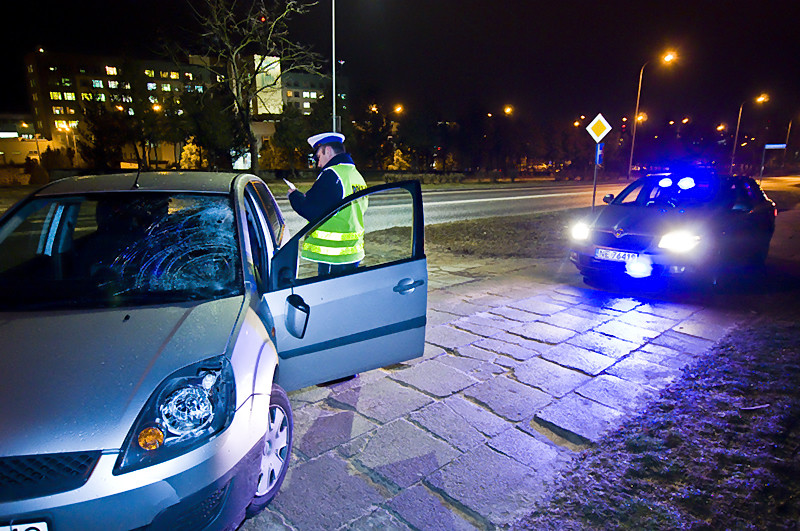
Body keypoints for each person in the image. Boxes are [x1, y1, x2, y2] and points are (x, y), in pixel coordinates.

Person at [287, 132, 368, 276]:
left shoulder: (332, 174)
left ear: (328, 151)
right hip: (352, 252)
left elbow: (311, 210)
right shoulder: (355, 174)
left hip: (333, 256)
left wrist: (294, 195)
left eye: (318, 157)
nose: (318, 163)